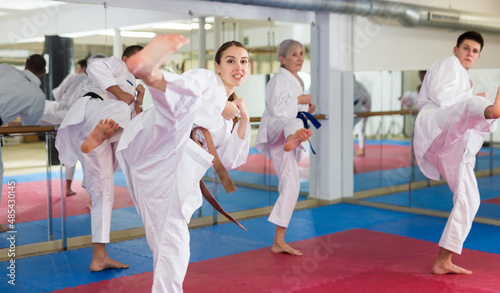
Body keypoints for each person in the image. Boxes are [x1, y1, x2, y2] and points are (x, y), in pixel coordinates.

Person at [82, 34, 252, 292]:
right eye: (231, 61)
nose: (238, 66)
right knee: (177, 114)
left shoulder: (230, 119)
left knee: (173, 242)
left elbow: (230, 158)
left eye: (244, 61)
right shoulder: (206, 80)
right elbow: (186, 95)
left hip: (163, 177)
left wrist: (245, 119)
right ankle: (151, 75)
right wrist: (219, 107)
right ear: (217, 66)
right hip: (154, 142)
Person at [414, 31, 500, 275]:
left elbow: (459, 101)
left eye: (474, 51)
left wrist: (472, 96)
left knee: (470, 199)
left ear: (479, 56)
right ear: (456, 50)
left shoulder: (465, 78)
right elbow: (444, 98)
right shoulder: (447, 64)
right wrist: (473, 98)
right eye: (466, 48)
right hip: (436, 124)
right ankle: (492, 112)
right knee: (472, 103)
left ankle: (443, 260)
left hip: (451, 144)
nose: (469, 53)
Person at [55, 46, 145, 272]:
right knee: (121, 109)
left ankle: (100, 256)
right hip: (93, 112)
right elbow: (95, 66)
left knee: (103, 192)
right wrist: (121, 94)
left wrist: (138, 101)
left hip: (99, 134)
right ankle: (100, 134)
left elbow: (131, 122)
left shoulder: (133, 84)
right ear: (125, 58)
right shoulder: (118, 65)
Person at [255, 39, 316, 256]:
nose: (299, 58)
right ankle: (294, 138)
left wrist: (305, 106)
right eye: (294, 55)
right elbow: (278, 108)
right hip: (275, 128)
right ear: (283, 59)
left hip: (285, 138)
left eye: (301, 53)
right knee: (294, 123)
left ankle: (279, 240)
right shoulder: (277, 80)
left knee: (291, 186)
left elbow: (291, 107)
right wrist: (299, 99)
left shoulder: (297, 80)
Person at [0, 54, 47, 232]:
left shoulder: (6, 69)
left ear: (26, 64)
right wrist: (15, 123)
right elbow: (31, 127)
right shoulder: (37, 96)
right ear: (44, 72)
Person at [41, 58, 92, 196]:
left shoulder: (75, 76)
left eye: (78, 67)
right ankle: (91, 197)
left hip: (65, 115)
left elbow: (57, 94)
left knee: (70, 152)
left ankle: (68, 188)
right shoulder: (95, 82)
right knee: (89, 157)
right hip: (84, 120)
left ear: (83, 68)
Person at [353, 77, 371, 156]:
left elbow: (363, 98)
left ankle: (362, 149)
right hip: (360, 106)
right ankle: (361, 148)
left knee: (361, 128)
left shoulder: (356, 85)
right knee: (359, 128)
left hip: (364, 106)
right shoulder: (356, 85)